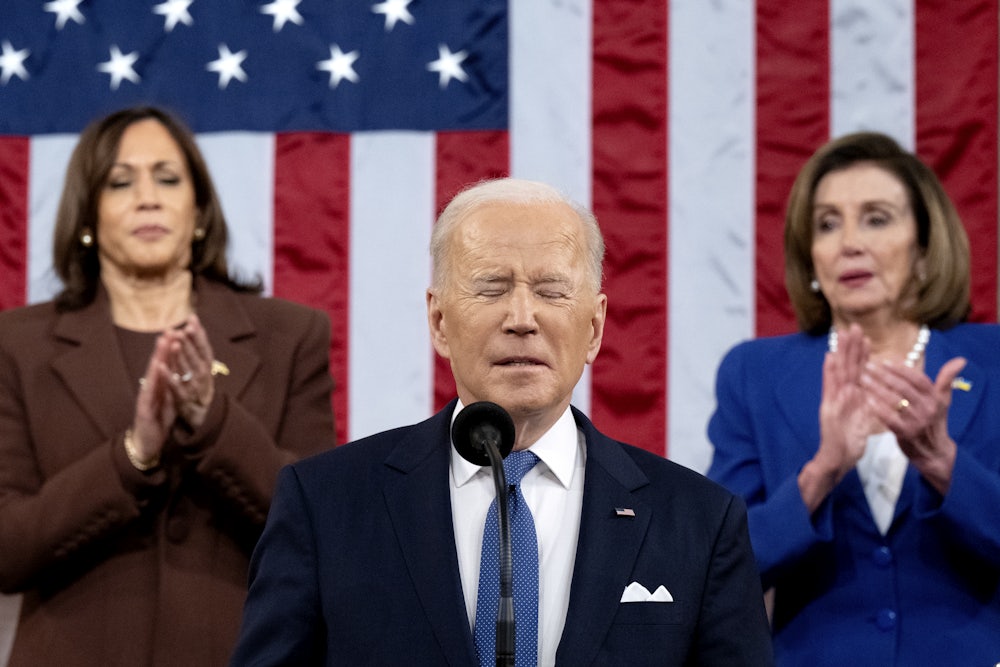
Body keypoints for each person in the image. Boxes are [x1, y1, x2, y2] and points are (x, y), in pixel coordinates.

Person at [229, 177, 773, 666]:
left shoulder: (698, 521)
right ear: (439, 322)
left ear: (595, 328)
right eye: (491, 288)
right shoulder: (325, 503)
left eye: (551, 291)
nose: (521, 319)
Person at [0, 106, 336, 666]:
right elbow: (6, 550)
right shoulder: (16, 345)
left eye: (168, 178)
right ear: (88, 214)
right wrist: (133, 457)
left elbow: (323, 529)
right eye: (120, 181)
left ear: (199, 209)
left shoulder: (290, 336)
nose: (147, 197)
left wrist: (213, 423)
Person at [707, 132, 1000, 665]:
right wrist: (821, 472)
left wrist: (943, 463)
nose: (849, 243)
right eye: (827, 224)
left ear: (925, 247)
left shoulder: (994, 361)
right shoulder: (753, 374)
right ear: (811, 256)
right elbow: (719, 567)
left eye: (877, 218)